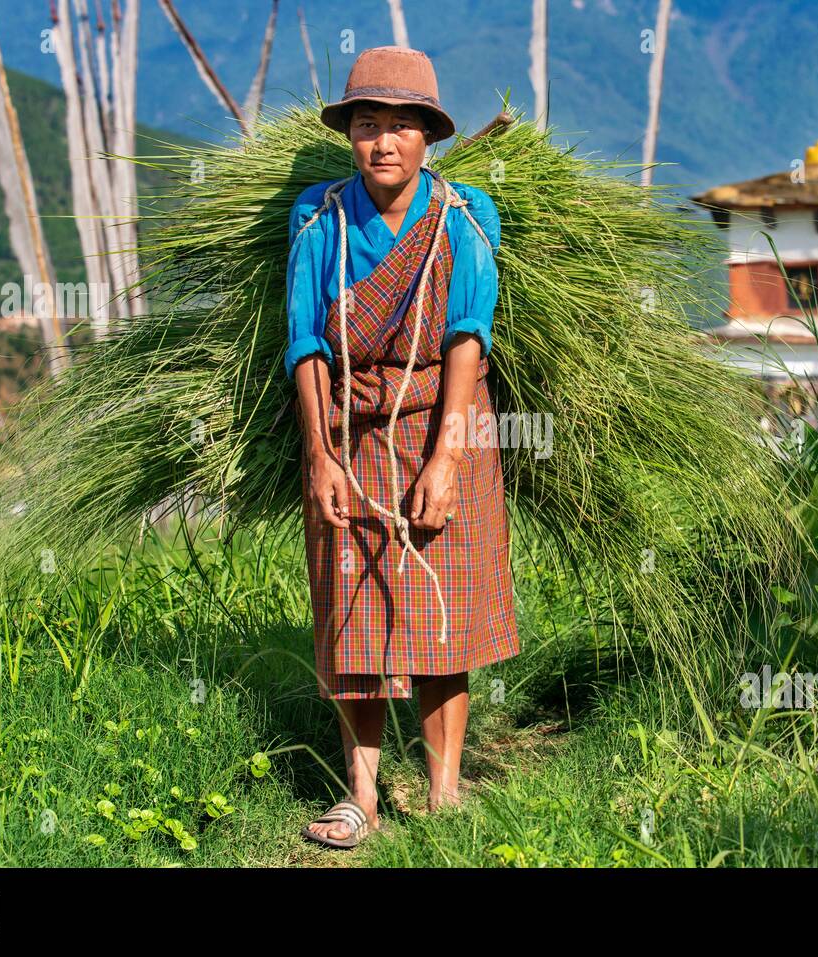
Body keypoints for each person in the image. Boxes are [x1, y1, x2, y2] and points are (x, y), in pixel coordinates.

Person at [285, 46, 520, 848]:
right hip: (349, 427)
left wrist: (447, 458)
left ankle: (445, 790)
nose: (383, 142)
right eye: (366, 125)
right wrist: (318, 454)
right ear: (349, 136)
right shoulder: (319, 219)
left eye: (400, 127)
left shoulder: (465, 217)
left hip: (443, 417)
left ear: (428, 138)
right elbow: (307, 343)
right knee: (353, 612)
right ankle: (362, 794)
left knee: (440, 610)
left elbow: (468, 335)